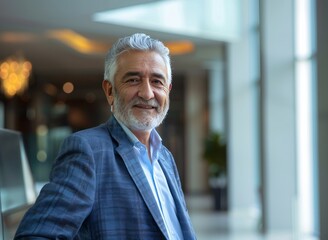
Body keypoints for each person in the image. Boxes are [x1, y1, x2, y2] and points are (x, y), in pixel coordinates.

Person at [14, 33, 196, 240]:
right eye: (133, 80)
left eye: (157, 81)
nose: (147, 93)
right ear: (110, 90)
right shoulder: (87, 151)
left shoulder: (165, 157)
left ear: (168, 91)